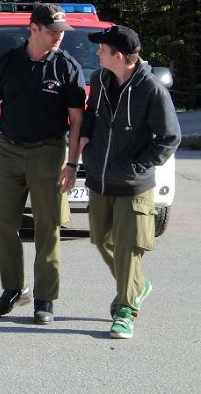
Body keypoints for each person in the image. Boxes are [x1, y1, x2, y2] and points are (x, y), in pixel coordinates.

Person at [0, 3, 86, 325]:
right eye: (52, 31)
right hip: (9, 151)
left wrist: (72, 164)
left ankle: (45, 298)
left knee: (48, 226)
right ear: (33, 29)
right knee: (0, 219)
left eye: (62, 32)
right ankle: (13, 289)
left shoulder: (68, 68)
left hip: (48, 152)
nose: (59, 37)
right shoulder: (8, 63)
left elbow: (76, 122)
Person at [79, 25, 180, 339]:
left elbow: (169, 137)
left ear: (118, 55)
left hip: (134, 184)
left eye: (102, 49)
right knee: (101, 239)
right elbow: (92, 115)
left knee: (128, 248)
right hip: (99, 178)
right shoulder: (100, 80)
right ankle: (138, 284)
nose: (97, 52)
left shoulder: (151, 90)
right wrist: (86, 143)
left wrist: (138, 166)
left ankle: (125, 311)